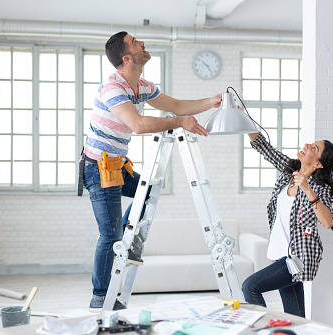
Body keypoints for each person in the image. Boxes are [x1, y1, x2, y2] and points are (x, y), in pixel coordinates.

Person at [79, 31, 222, 312]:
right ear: (127, 58)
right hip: (98, 168)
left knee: (150, 190)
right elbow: (138, 124)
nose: (142, 43)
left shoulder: (142, 86)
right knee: (109, 235)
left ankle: (126, 237)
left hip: (117, 165)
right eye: (136, 42)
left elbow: (177, 106)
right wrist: (179, 121)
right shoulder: (112, 88)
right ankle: (99, 296)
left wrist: (211, 102)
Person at [241, 131, 333, 317]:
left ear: (319, 163)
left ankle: (263, 328)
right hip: (280, 254)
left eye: (313, 148)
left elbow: (328, 222)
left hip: (298, 258)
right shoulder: (289, 171)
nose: (306, 146)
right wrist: (242, 117)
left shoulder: (320, 188)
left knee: (250, 287)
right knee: (294, 314)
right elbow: (265, 147)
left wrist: (307, 189)